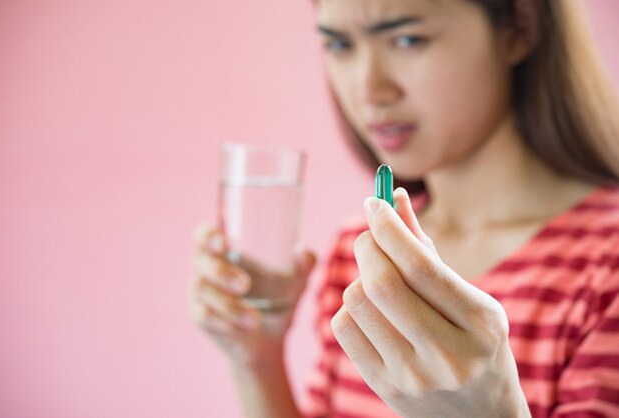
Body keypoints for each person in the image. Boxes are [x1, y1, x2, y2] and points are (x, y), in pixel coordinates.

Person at [189, 0, 619, 416]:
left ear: (519, 26)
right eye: (340, 45)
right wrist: (257, 359)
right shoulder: (359, 254)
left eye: (408, 39)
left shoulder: (607, 265)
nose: (368, 90)